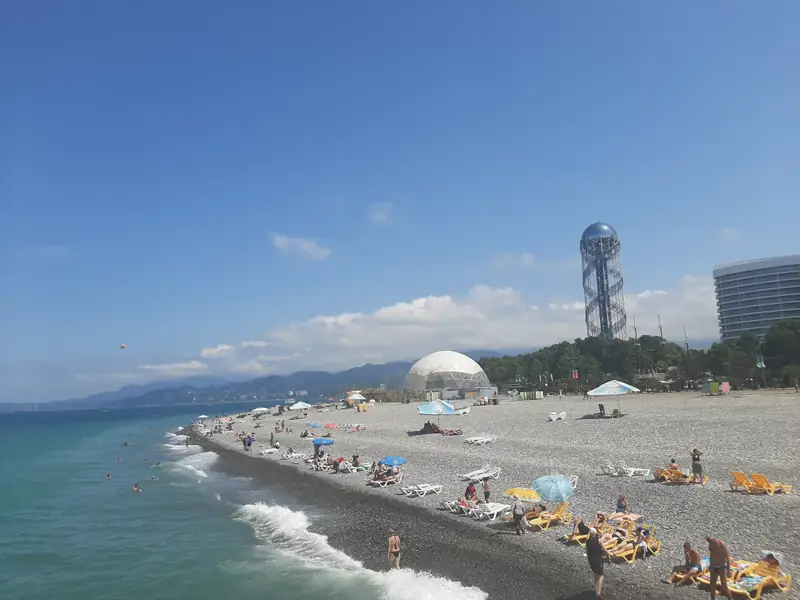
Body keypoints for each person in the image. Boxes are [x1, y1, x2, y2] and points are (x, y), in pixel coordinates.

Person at [580, 521, 612, 599]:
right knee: (600, 576)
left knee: (596, 575)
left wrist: (589, 561)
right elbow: (604, 550)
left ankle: (596, 589)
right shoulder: (599, 540)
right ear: (595, 534)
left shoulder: (587, 542)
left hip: (591, 561)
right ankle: (598, 592)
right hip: (598, 560)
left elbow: (587, 552)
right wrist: (608, 558)